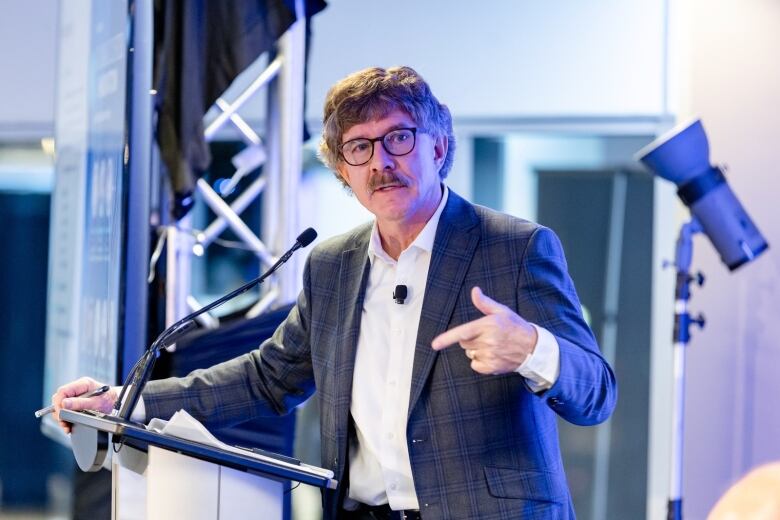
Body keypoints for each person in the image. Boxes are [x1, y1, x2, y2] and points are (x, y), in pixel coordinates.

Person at [53, 66, 617, 519]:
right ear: (343, 172)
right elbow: (266, 380)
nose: (381, 162)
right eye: (359, 148)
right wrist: (123, 401)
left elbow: (597, 394)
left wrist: (534, 348)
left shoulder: (514, 247)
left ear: (439, 146)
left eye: (398, 137)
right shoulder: (332, 264)